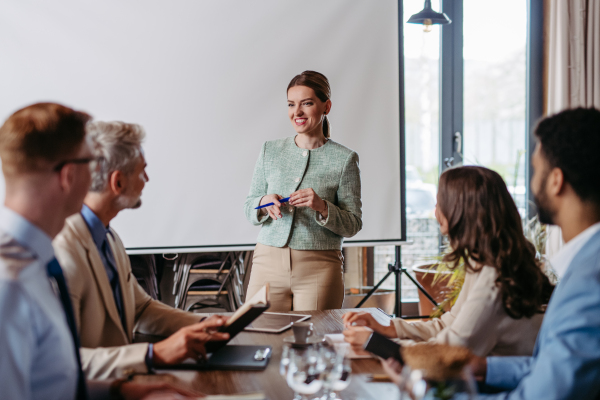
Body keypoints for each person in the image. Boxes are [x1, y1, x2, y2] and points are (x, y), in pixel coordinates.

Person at [0, 103, 195, 399]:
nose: (96, 176)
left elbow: (51, 379)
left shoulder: (31, 259)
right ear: (68, 176)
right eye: (91, 162)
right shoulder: (9, 283)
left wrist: (122, 391)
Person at [53, 121, 230, 379]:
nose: (146, 180)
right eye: (141, 171)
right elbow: (62, 364)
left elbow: (141, 308)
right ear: (118, 182)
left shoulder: (109, 238)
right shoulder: (63, 250)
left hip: (125, 385)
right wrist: (152, 354)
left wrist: (202, 324)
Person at [343, 166, 553, 357]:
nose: (435, 212)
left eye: (439, 203)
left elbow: (449, 353)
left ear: (460, 211)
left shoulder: (494, 278)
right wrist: (389, 328)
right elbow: (449, 325)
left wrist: (375, 343)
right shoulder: (484, 262)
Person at [465, 107, 600, 399]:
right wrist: (488, 368)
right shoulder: (586, 262)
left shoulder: (590, 279)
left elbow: (548, 394)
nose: (532, 182)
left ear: (556, 180)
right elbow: (561, 367)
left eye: (537, 169)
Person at [243, 70, 362, 311]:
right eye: (291, 104)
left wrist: (322, 207)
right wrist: (264, 202)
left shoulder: (345, 159)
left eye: (306, 104)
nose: (296, 112)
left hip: (319, 267)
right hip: (267, 262)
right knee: (260, 336)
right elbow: (249, 208)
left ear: (326, 106)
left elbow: (353, 224)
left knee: (315, 342)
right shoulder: (270, 150)